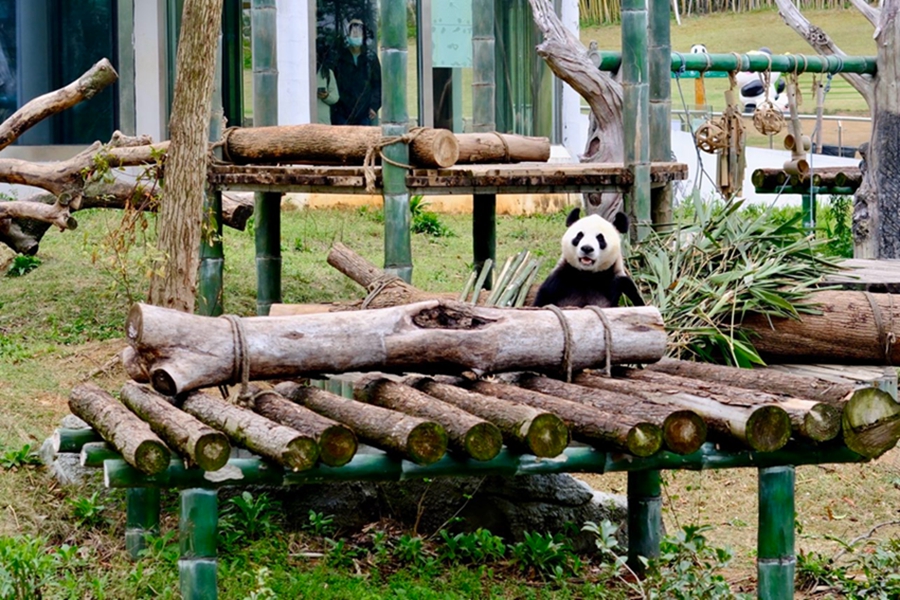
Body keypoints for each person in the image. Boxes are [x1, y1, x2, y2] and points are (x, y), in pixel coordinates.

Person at [331, 18, 381, 126]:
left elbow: (377, 84)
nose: (356, 35)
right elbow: (333, 82)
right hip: (342, 113)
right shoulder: (340, 57)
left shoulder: (370, 57)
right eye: (353, 33)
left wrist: (374, 106)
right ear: (348, 35)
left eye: (359, 33)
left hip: (364, 113)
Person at [315, 43, 339, 125]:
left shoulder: (327, 73)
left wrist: (326, 96)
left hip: (322, 122)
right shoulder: (299, 73)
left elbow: (335, 97)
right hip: (302, 122)